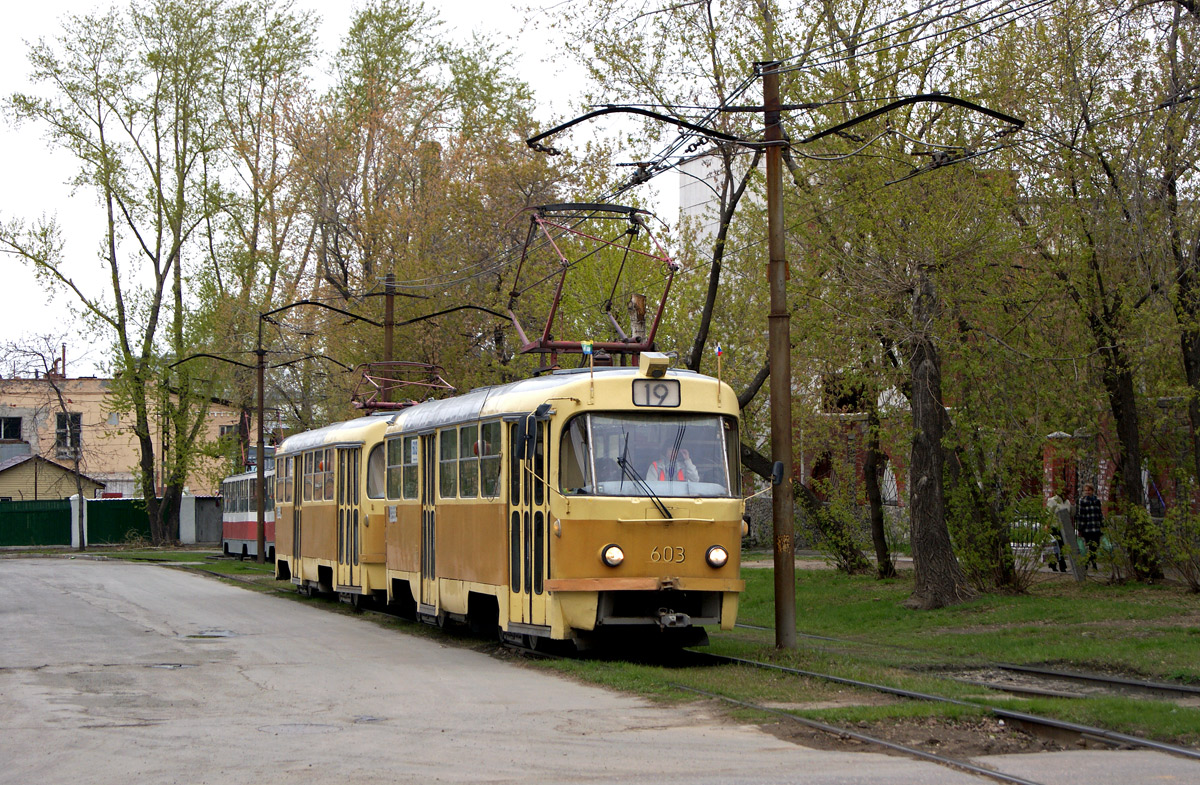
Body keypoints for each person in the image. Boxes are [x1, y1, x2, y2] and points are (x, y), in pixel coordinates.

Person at [1076, 483, 1104, 571]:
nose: (1087, 492)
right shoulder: (1082, 501)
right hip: (1087, 528)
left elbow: (1099, 514)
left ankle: (1089, 562)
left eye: (1089, 490)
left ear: (1092, 491)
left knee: (1095, 546)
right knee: (1090, 546)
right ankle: (1092, 563)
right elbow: (1081, 515)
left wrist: (1102, 524)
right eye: (1086, 490)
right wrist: (1080, 528)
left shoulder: (1097, 501)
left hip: (1095, 526)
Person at [1045, 490, 1070, 572]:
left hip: (1063, 527)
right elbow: (1049, 514)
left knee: (1062, 547)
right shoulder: (1052, 501)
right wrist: (1047, 526)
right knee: (1057, 546)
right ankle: (1060, 564)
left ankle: (1056, 563)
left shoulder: (1067, 502)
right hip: (1054, 527)